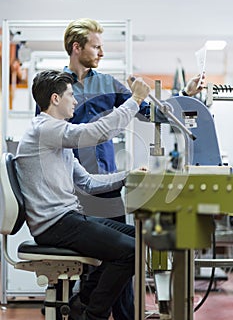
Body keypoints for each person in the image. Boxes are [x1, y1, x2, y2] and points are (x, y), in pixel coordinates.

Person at [62, 18, 205, 320]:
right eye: (96, 46)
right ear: (77, 48)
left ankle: (116, 313)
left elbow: (151, 111)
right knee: (94, 261)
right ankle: (84, 305)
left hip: (108, 187)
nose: (101, 52)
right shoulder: (55, 87)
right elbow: (50, 134)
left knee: (125, 255)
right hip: (72, 188)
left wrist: (186, 95)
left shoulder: (107, 84)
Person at [15, 70, 150, 320]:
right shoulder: (44, 129)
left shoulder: (56, 134)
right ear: (55, 99)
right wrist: (135, 101)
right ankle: (93, 314)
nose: (75, 101)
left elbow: (87, 181)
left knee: (139, 237)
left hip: (68, 219)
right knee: (132, 251)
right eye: (70, 95)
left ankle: (82, 304)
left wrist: (126, 175)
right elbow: (95, 133)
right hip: (56, 224)